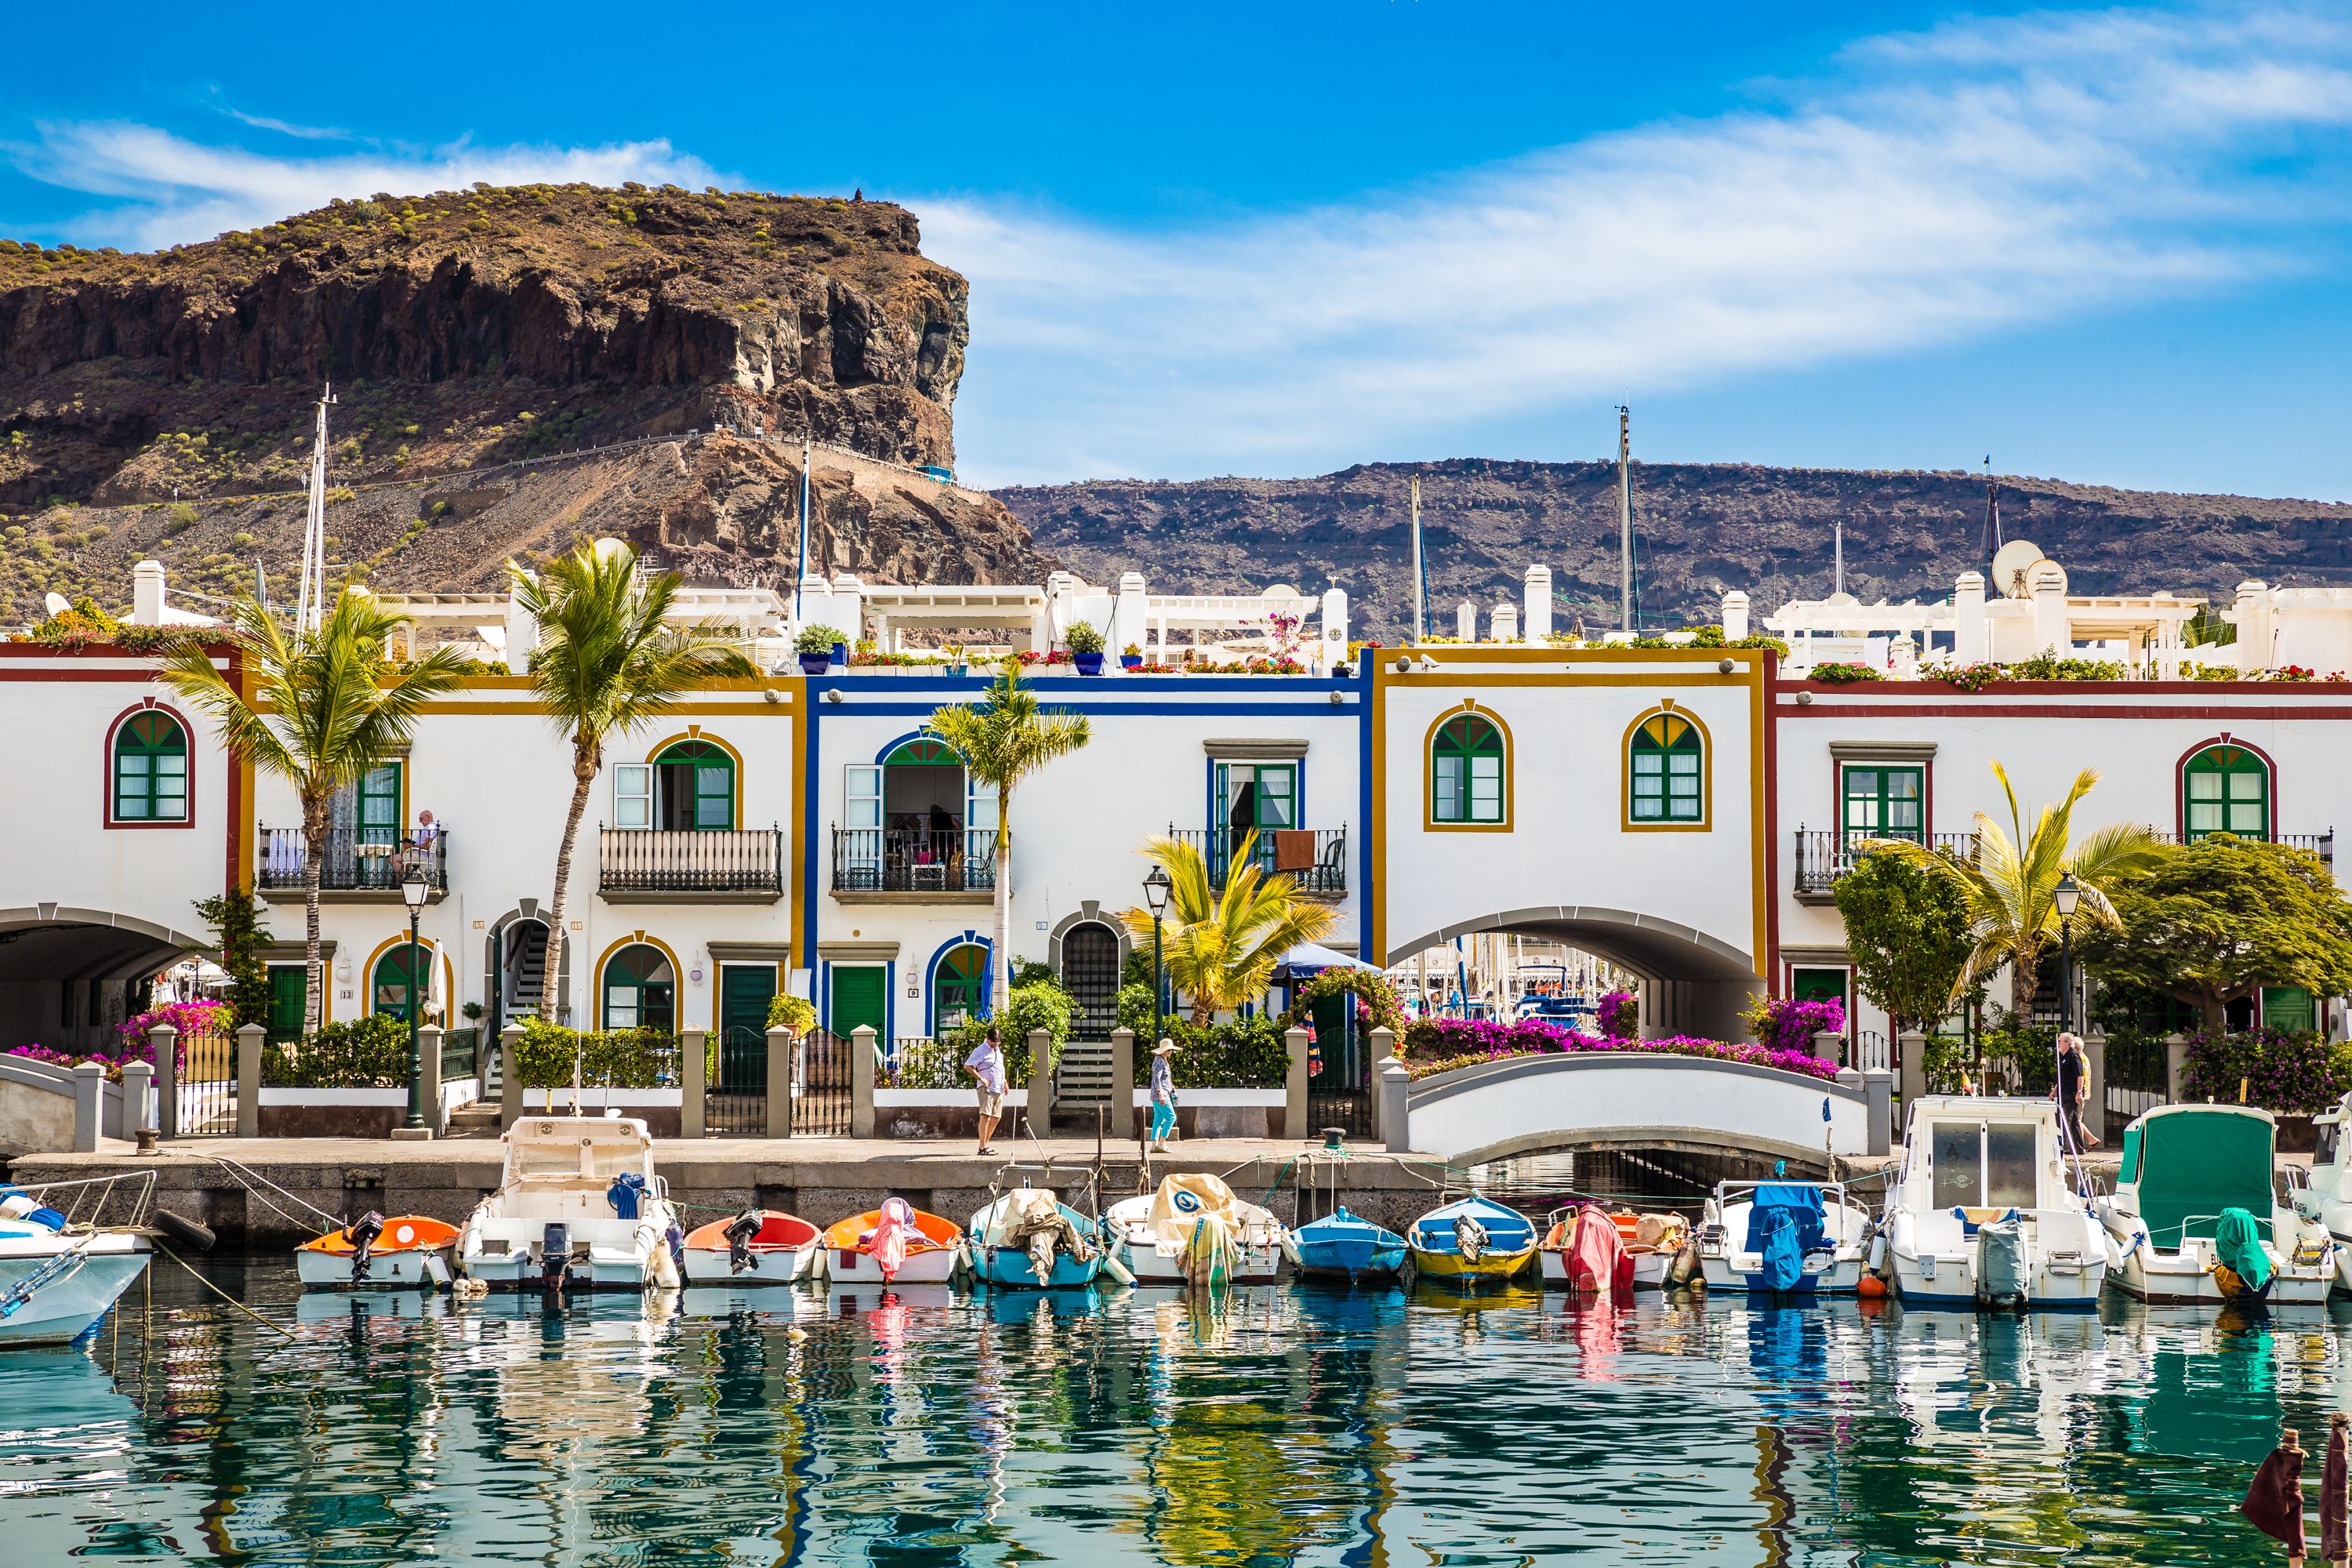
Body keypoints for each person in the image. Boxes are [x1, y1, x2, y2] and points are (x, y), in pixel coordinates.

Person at [964, 1025, 1007, 1156]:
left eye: (997, 1042)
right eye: (993, 1042)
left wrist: (1005, 1082)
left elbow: (1000, 1067)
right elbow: (968, 1066)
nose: (995, 1044)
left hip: (998, 1088)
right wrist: (981, 1078)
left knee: (996, 1117)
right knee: (986, 1116)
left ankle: (984, 1145)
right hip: (986, 1088)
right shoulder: (980, 1050)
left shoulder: (997, 1050)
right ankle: (983, 1147)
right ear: (987, 1039)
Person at [2055, 1033, 2098, 1150]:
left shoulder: (2075, 1056)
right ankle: (2079, 1148)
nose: (2058, 1044)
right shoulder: (2065, 1056)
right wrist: (2055, 1091)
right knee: (2075, 1121)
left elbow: (2080, 1076)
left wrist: (2079, 1092)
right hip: (2067, 1092)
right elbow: (2063, 1077)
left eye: (2060, 1041)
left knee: (2068, 1120)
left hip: (2072, 1093)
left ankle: (2064, 1147)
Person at [1149, 1036, 1179, 1152]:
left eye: (1171, 1050)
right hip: (1161, 1095)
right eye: (1168, 1050)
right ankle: (1162, 1143)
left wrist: (1171, 1086)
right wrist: (1161, 1094)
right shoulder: (1159, 1062)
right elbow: (1156, 1079)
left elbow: (1164, 1078)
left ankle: (1154, 1146)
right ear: (1163, 1051)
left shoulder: (1162, 1061)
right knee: (1171, 1117)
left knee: (1158, 1119)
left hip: (1160, 1094)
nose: (1170, 1052)